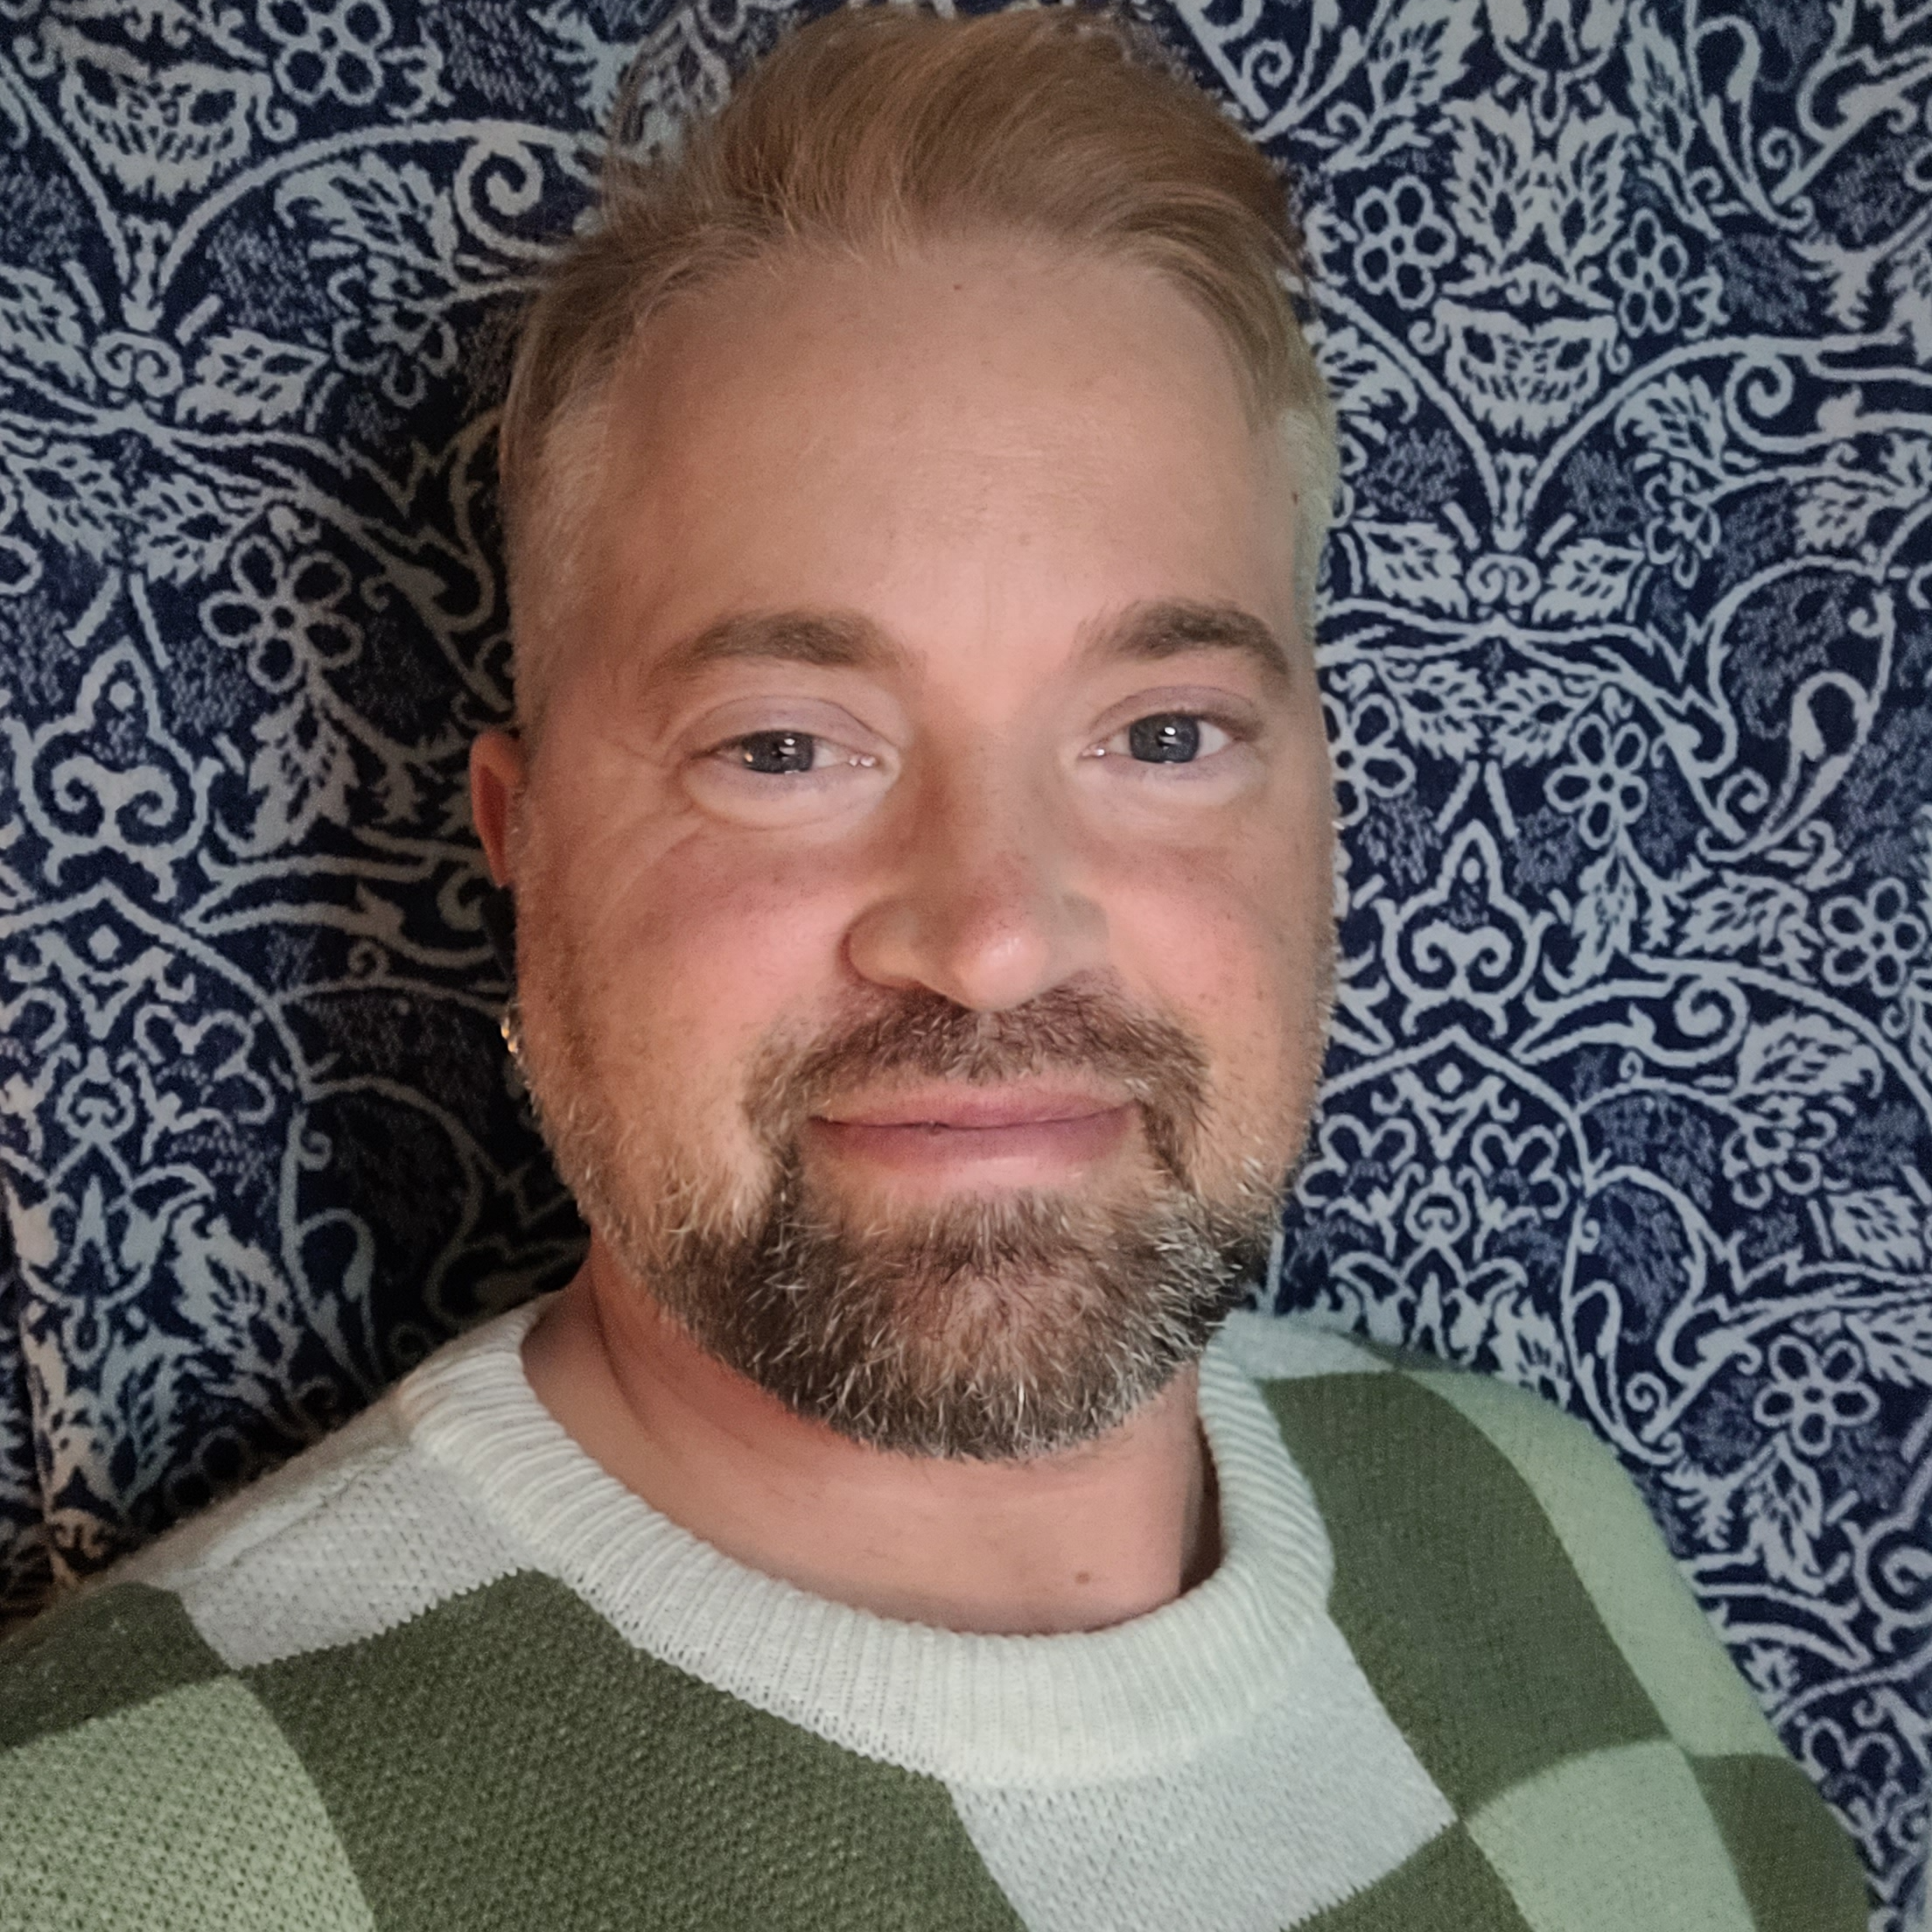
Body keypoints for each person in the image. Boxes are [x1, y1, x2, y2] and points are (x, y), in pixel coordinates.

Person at [0, 9, 1868, 1928]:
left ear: (1325, 818)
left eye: (1161, 735)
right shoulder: (93, 1865)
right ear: (522, 843)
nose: (991, 939)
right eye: (784, 748)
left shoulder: (1538, 1508)